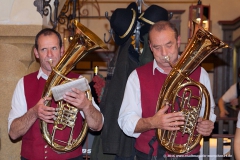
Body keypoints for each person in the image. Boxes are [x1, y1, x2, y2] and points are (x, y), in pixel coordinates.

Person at [118, 21, 216, 160]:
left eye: (169, 45)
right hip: (149, 155)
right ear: (150, 47)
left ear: (178, 41)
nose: (164, 53)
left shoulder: (200, 73)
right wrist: (153, 122)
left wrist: (207, 124)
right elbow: (126, 122)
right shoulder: (137, 76)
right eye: (157, 47)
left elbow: (208, 111)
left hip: (188, 155)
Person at [8, 28, 103, 160]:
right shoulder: (23, 83)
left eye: (54, 48)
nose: (49, 55)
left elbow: (98, 125)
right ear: (36, 53)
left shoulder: (78, 81)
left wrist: (86, 106)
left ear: (62, 50)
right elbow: (13, 133)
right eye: (43, 50)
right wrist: (34, 112)